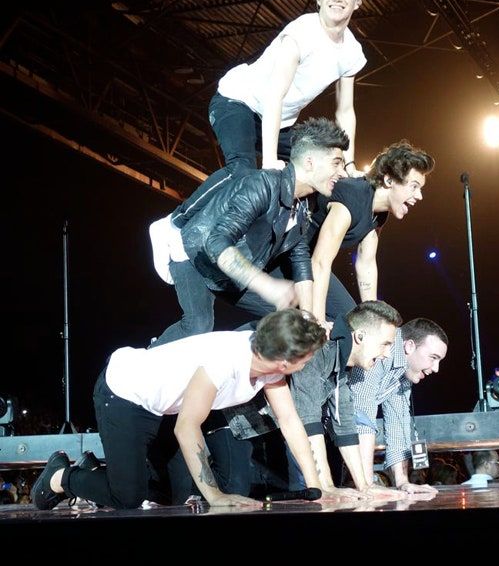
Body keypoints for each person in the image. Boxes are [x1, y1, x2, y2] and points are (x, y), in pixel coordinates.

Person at [31, 310, 327, 511]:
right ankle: (62, 477)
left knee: (174, 493)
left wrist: (317, 488)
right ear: (286, 361)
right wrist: (215, 495)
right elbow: (187, 427)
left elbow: (289, 421)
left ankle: (97, 473)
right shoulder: (225, 361)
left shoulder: (271, 368)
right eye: (308, 357)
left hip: (164, 408)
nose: (309, 363)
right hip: (124, 394)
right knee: (128, 498)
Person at [149, 117, 348, 345]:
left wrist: (309, 318)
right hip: (197, 256)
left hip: (230, 275)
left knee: (289, 323)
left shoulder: (301, 207)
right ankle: (146, 361)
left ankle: (231, 365)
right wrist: (266, 285)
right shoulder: (264, 184)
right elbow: (216, 243)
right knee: (198, 325)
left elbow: (300, 259)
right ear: (310, 162)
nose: (343, 173)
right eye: (336, 163)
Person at [208, 0, 366, 175]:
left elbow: (345, 111)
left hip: (280, 123)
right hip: (238, 103)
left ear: (357, 1)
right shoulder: (301, 33)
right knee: (242, 173)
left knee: (320, 168)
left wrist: (349, 165)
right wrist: (270, 160)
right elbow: (274, 95)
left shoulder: (352, 51)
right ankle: (183, 211)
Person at [288, 300, 409, 499]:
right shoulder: (319, 349)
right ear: (360, 336)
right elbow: (308, 420)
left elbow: (344, 425)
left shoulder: (340, 365)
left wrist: (365, 486)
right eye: (385, 344)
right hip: (233, 419)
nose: (387, 355)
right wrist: (326, 487)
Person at [309, 141, 435, 324]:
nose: (419, 196)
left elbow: (366, 264)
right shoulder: (352, 199)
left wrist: (374, 319)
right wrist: (318, 322)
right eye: (414, 186)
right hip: (287, 256)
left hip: (308, 262)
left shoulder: (380, 215)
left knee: (351, 320)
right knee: (308, 320)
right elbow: (320, 262)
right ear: (389, 180)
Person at [348, 317, 448, 489]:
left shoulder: (403, 372)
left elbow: (397, 426)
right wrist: (366, 485)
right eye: (433, 357)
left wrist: (402, 482)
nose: (436, 368)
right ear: (409, 346)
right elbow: (362, 417)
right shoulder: (379, 354)